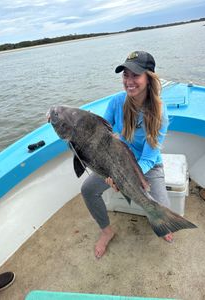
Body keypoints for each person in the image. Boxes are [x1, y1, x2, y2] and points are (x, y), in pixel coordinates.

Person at [81, 50, 173, 259]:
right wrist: (109, 172)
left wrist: (126, 179)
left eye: (135, 75)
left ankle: (162, 222)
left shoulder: (159, 112)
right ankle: (106, 231)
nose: (129, 81)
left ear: (149, 78)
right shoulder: (116, 102)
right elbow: (101, 137)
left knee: (162, 214)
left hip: (148, 166)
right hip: (115, 163)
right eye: (125, 75)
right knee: (87, 189)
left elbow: (149, 158)